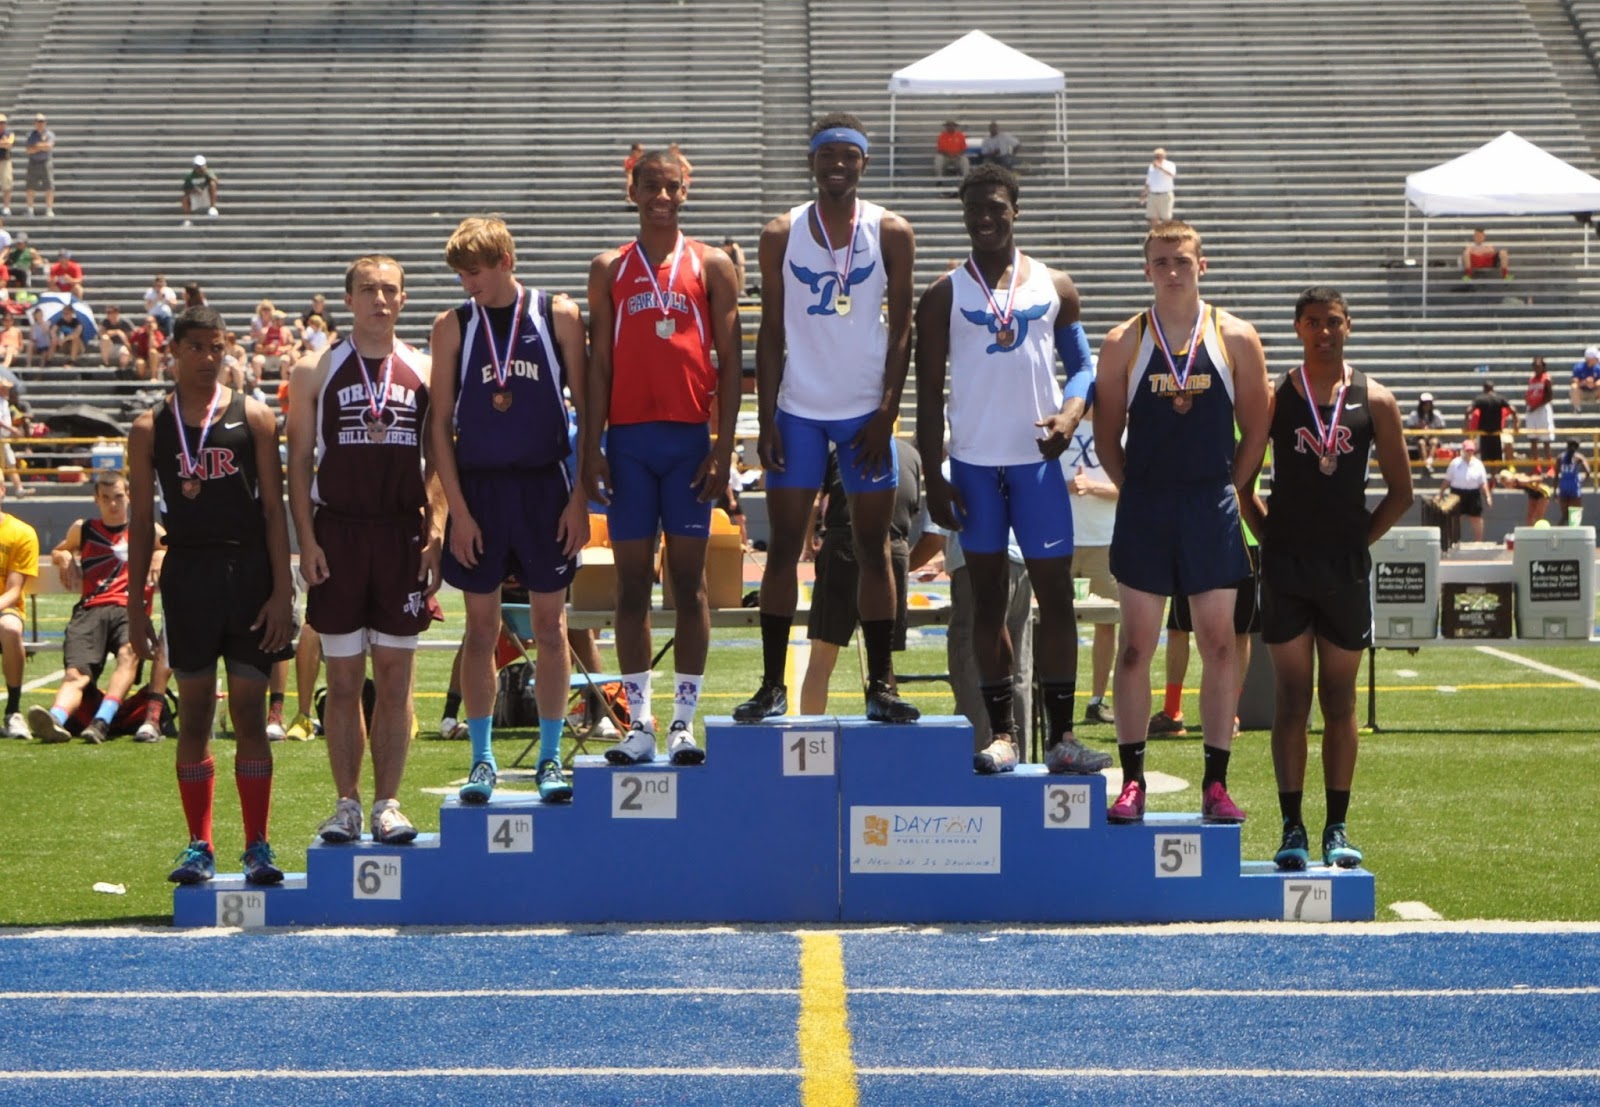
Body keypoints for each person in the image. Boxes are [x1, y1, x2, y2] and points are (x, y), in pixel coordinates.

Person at [915, 163, 1109, 775]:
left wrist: (1070, 416)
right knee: (988, 603)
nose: (985, 216)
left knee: (1056, 600)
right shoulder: (945, 293)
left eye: (996, 206)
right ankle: (1002, 733)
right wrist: (934, 478)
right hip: (973, 467)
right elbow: (924, 399)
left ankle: (1062, 737)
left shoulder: (1055, 286)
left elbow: (1084, 368)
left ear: (1014, 209)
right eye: (974, 207)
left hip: (1038, 468)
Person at [736, 113, 919, 725]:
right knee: (785, 549)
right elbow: (770, 332)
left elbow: (904, 330)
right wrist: (766, 417)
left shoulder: (890, 230)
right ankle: (770, 685)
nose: (837, 163)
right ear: (811, 161)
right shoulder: (781, 232)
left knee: (872, 549)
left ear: (864, 162)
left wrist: (887, 410)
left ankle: (882, 685)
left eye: (849, 154)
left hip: (866, 412)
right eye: (827, 154)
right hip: (800, 410)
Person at [1092, 220, 1270, 825]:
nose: (1173, 271)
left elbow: (1256, 428)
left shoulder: (1237, 337)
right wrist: (1135, 490)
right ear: (1146, 269)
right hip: (1146, 503)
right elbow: (1106, 434)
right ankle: (1134, 780)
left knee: (1220, 645)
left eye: (1183, 261)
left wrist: (1229, 488)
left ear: (1203, 266)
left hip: (1209, 502)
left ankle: (1215, 784)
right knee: (1137, 646)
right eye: (1162, 261)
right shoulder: (1123, 341)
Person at [125, 305, 296, 886]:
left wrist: (280, 590)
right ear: (172, 351)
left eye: (216, 346)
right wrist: (135, 604)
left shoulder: (254, 415)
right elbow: (143, 521)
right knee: (194, 712)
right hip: (188, 574)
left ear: (229, 349)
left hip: (248, 573)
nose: (206, 357)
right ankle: (199, 844)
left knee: (249, 713)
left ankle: (258, 845)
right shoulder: (151, 426)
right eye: (194, 347)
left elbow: (274, 510)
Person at [1244, 285, 1412, 872]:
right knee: (1291, 700)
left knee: (1338, 701)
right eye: (1313, 322)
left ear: (1349, 326)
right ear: (1297, 328)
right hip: (1286, 566)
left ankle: (1336, 827)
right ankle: (1292, 827)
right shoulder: (1274, 398)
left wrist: (1355, 542)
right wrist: (1269, 537)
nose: (1324, 331)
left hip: (1342, 570)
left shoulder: (1377, 400)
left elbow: (1402, 491)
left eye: (1333, 322)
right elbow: (1241, 480)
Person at [583, 150, 742, 765]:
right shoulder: (608, 268)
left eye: (671, 187)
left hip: (685, 445)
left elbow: (729, 365)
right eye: (650, 186)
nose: (661, 197)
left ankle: (682, 722)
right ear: (632, 191)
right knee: (629, 590)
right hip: (626, 443)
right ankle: (638, 723)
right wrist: (591, 446)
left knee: (688, 587)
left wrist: (722, 449)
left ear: (687, 190)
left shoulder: (712, 264)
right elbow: (598, 365)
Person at [429, 215, 589, 805]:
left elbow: (588, 415)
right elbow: (439, 426)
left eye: (473, 272)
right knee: (480, 630)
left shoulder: (557, 317)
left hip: (545, 486)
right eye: (460, 274)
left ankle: (549, 757)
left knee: (551, 628)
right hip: (481, 490)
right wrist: (456, 512)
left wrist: (579, 498)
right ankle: (482, 759)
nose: (466, 283)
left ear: (504, 261)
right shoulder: (452, 327)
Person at [288, 254, 442, 845]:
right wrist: (307, 540)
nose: (380, 299)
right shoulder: (314, 370)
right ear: (348, 298)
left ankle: (389, 803)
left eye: (390, 290)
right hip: (340, 532)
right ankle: (347, 804)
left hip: (401, 533)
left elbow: (437, 460)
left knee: (397, 679)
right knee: (345, 678)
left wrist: (435, 529)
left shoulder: (424, 368)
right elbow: (299, 462)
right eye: (368, 289)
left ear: (403, 300)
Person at [800, 441, 937, 713]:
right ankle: (887, 740)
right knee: (882, 661)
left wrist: (808, 542)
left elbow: (815, 500)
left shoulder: (839, 447)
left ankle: (810, 735)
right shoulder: (910, 453)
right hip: (893, 545)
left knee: (821, 658)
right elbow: (911, 508)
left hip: (845, 543)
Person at [28, 471, 148, 744]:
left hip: (128, 610)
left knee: (129, 653)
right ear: (96, 500)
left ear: (128, 495)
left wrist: (160, 556)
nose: (113, 504)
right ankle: (55, 719)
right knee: (76, 673)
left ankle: (102, 720)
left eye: (118, 497)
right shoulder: (84, 529)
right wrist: (64, 556)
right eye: (105, 498)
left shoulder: (143, 529)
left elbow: (166, 546)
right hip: (90, 609)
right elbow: (60, 549)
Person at [0, 482, 39, 738]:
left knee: (10, 628)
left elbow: (14, 590)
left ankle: (13, 711)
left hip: (5, 609)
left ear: (2, 490)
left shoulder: (21, 532)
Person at [1441, 438, 1491, 542]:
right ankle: (1453, 540)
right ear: (1463, 450)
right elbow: (1447, 480)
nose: (1469, 452)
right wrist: (1440, 493)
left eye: (1471, 450)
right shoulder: (1455, 463)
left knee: (1476, 518)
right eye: (1467, 450)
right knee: (1455, 518)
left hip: (1473, 493)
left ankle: (1478, 542)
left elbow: (1483, 482)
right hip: (1457, 493)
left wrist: (1487, 496)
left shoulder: (1478, 464)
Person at [1466, 379, 1517, 465]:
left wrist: (1466, 425)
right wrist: (1515, 425)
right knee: (1495, 457)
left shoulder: (1480, 399)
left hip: (1484, 432)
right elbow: (1513, 410)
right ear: (1493, 389)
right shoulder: (1500, 398)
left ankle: (1484, 475)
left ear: (1484, 389)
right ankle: (1493, 476)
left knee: (1484, 456)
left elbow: (1468, 411)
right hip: (1496, 431)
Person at [1523, 356, 1556, 473]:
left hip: (1542, 409)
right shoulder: (1531, 379)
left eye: (1539, 366)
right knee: (1533, 438)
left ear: (1543, 367)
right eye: (1535, 366)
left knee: (1545, 438)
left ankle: (1549, 465)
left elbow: (1550, 396)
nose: (1536, 368)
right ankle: (1536, 465)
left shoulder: (1546, 379)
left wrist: (1536, 406)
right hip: (1531, 409)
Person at [1405, 391, 1446, 473]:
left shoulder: (1435, 414)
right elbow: (1410, 426)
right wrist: (1419, 427)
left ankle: (1430, 459)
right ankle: (1425, 464)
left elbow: (1441, 426)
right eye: (1424, 403)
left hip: (1432, 436)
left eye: (1429, 404)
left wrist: (1430, 429)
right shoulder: (1414, 415)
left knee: (1434, 442)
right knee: (1421, 442)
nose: (1426, 406)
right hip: (1418, 437)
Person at [23, 114, 54, 218]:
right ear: (35, 123)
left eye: (42, 122)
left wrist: (36, 145)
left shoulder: (49, 134)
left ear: (45, 123)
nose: (40, 124)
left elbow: (49, 146)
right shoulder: (30, 135)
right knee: (30, 186)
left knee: (48, 186)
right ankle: (30, 209)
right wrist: (41, 146)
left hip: (45, 162)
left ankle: (49, 209)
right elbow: (28, 150)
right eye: (38, 122)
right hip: (33, 162)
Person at [1140, 147, 1177, 228]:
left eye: (1159, 156)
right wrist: (1143, 194)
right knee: (1153, 218)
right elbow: (1148, 182)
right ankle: (1155, 237)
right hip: (1153, 195)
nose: (1157, 158)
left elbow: (1172, 175)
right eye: (1156, 156)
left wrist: (1160, 168)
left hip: (1165, 195)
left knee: (1166, 218)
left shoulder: (1170, 165)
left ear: (1164, 156)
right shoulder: (1151, 167)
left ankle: (1167, 237)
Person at [1556, 440, 1590, 524]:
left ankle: (1557, 534)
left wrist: (1554, 491)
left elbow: (1556, 475)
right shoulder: (1579, 458)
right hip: (1574, 487)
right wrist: (1582, 481)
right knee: (1575, 515)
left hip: (1563, 486)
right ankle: (1575, 535)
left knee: (1564, 515)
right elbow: (1588, 471)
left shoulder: (1560, 458)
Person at [181, 155, 219, 220]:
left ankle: (213, 207)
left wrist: (207, 175)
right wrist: (193, 190)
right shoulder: (190, 176)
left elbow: (216, 183)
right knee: (185, 198)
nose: (200, 168)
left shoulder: (208, 173)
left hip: (206, 195)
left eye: (201, 166)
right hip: (195, 196)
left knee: (212, 184)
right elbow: (185, 190)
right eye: (198, 167)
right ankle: (187, 219)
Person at [98, 304, 134, 373]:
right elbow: (102, 334)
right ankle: (105, 363)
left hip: (121, 346)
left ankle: (122, 370)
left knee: (125, 353)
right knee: (105, 338)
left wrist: (128, 345)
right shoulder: (105, 322)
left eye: (111, 312)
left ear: (117, 313)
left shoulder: (125, 323)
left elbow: (132, 336)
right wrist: (117, 332)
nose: (110, 315)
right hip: (109, 346)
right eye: (108, 313)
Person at [129, 314, 166, 381]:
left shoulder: (158, 334)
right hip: (143, 357)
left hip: (154, 359)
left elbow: (154, 346)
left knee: (152, 351)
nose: (149, 325)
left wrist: (151, 333)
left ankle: (154, 377)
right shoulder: (140, 332)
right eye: (147, 322)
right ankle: (141, 380)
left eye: (151, 322)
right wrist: (133, 354)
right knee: (140, 363)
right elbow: (130, 342)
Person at [1572, 346, 1600, 413]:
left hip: (1595, 392)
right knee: (1574, 387)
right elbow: (1574, 380)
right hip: (1582, 391)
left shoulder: (1598, 368)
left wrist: (1594, 384)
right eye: (1595, 358)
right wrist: (1584, 382)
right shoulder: (1579, 367)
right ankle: (1577, 408)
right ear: (1590, 359)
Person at [0, 112, 13, 216]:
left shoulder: (9, 133)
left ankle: (6, 207)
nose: (1, 124)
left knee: (7, 183)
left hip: (5, 161)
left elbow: (9, 144)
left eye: (3, 123)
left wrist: (4, 143)